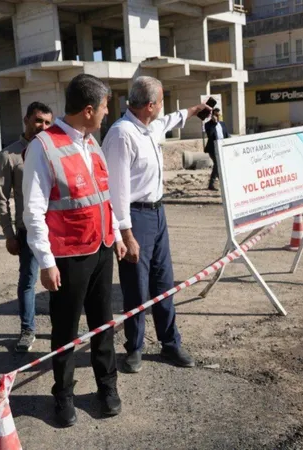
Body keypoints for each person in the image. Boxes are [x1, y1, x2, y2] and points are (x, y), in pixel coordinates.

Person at [23, 74, 127, 428]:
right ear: (88, 110)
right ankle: (63, 396)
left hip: (101, 249)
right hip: (67, 257)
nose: (106, 113)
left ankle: (107, 387)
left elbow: (103, 196)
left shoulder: (90, 141)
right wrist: (46, 261)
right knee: (65, 331)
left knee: (103, 325)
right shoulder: (43, 146)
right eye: (104, 107)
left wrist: (116, 235)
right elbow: (33, 210)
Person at [102, 75, 209, 374]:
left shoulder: (149, 126)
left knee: (164, 282)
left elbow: (170, 120)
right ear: (150, 105)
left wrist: (193, 110)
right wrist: (126, 234)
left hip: (158, 214)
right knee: (136, 286)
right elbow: (116, 191)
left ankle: (170, 342)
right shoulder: (122, 135)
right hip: (135, 218)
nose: (163, 108)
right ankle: (134, 347)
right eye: (161, 102)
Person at [0, 101, 53, 352]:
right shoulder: (10, 155)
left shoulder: (54, 150)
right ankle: (28, 329)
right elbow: (1, 197)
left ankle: (63, 326)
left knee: (59, 279)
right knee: (28, 281)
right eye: (39, 120)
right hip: (27, 230)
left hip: (55, 230)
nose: (43, 126)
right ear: (26, 120)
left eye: (48, 122)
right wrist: (9, 234)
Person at [204, 107, 230, 191]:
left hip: (222, 148)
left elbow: (226, 134)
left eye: (218, 114)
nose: (217, 116)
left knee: (219, 165)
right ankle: (213, 183)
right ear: (212, 115)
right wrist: (214, 123)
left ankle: (219, 183)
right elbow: (210, 135)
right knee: (217, 164)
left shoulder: (222, 124)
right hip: (213, 149)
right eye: (216, 114)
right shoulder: (208, 125)